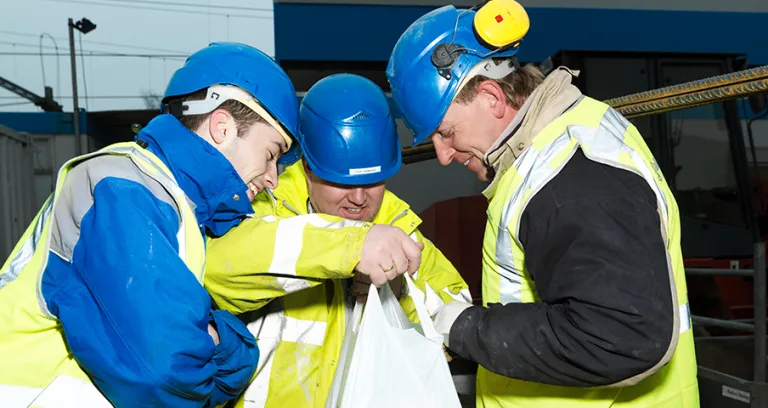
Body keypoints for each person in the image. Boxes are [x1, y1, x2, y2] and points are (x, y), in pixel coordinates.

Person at [0, 42, 421, 408]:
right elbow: (169, 371)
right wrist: (228, 346)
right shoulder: (121, 184)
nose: (273, 177)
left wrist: (213, 338)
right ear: (222, 128)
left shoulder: (175, 205)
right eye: (272, 153)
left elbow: (185, 347)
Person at [385, 2, 699, 408]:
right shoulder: (553, 151)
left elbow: (623, 335)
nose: (443, 155)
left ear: (492, 97)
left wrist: (466, 328)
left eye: (446, 132)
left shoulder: (570, 176)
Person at [203, 73, 471, 408]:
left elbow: (456, 314)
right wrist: (350, 247)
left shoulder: (399, 227)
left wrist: (400, 295)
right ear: (308, 168)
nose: (359, 199)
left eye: (374, 182)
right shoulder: (260, 209)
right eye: (341, 183)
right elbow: (215, 270)